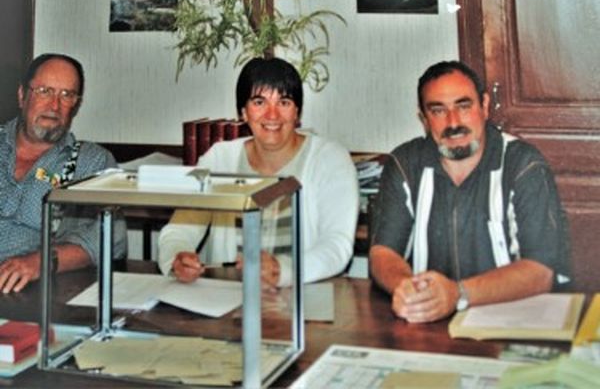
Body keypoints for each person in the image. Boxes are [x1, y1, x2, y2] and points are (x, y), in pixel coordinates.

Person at [369, 60, 571, 323]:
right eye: (438, 111)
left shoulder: (523, 164)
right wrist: (407, 289)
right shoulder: (405, 164)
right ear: (424, 119)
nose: (453, 122)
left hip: (513, 321)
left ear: (484, 106)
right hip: (426, 323)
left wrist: (458, 293)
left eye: (463, 106)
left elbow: (541, 271)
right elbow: (382, 252)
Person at [158, 57, 359, 288]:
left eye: (283, 102)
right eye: (259, 102)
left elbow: (337, 246)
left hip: (304, 297)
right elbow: (179, 230)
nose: (272, 115)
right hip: (228, 298)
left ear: (297, 113)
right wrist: (177, 257)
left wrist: (282, 270)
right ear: (243, 112)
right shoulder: (219, 159)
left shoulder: (330, 159)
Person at [0, 53, 127, 294]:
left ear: (76, 106)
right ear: (22, 95)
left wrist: (40, 261)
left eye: (66, 95)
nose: (54, 105)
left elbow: (110, 238)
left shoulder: (90, 161)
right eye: (44, 91)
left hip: (27, 294)